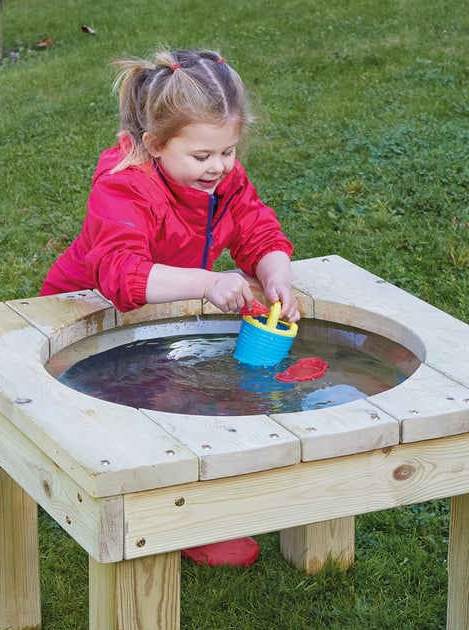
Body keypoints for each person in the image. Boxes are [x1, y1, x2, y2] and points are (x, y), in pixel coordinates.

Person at [41, 47, 298, 565]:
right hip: (88, 319)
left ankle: (206, 501)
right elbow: (120, 274)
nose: (219, 168)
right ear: (155, 144)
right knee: (145, 413)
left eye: (227, 151)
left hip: (159, 322)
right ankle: (176, 522)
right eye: (202, 157)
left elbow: (255, 227)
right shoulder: (123, 185)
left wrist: (276, 274)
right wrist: (206, 282)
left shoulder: (222, 180)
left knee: (207, 398)